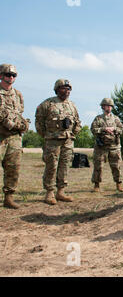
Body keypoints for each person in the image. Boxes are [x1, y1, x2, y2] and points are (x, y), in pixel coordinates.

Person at [35, 79, 82, 205]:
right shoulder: (48, 104)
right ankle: (49, 192)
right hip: (52, 141)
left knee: (65, 165)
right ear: (57, 89)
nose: (66, 91)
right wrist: (47, 135)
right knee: (51, 166)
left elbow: (78, 122)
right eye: (63, 88)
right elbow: (39, 122)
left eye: (68, 89)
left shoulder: (72, 105)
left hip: (68, 141)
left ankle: (61, 191)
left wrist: (73, 134)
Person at [0, 64, 29, 209]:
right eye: (7, 75)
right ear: (1, 75)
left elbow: (19, 113)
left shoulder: (18, 95)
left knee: (13, 168)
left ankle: (9, 197)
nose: (10, 78)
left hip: (14, 138)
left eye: (13, 75)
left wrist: (21, 125)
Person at [90, 98, 123, 192]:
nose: (108, 108)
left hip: (114, 147)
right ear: (103, 106)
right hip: (101, 147)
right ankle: (96, 185)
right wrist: (103, 129)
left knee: (116, 166)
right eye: (106, 106)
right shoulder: (98, 119)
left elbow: (122, 129)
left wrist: (114, 129)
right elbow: (93, 129)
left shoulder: (116, 119)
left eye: (110, 106)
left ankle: (118, 184)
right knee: (98, 166)